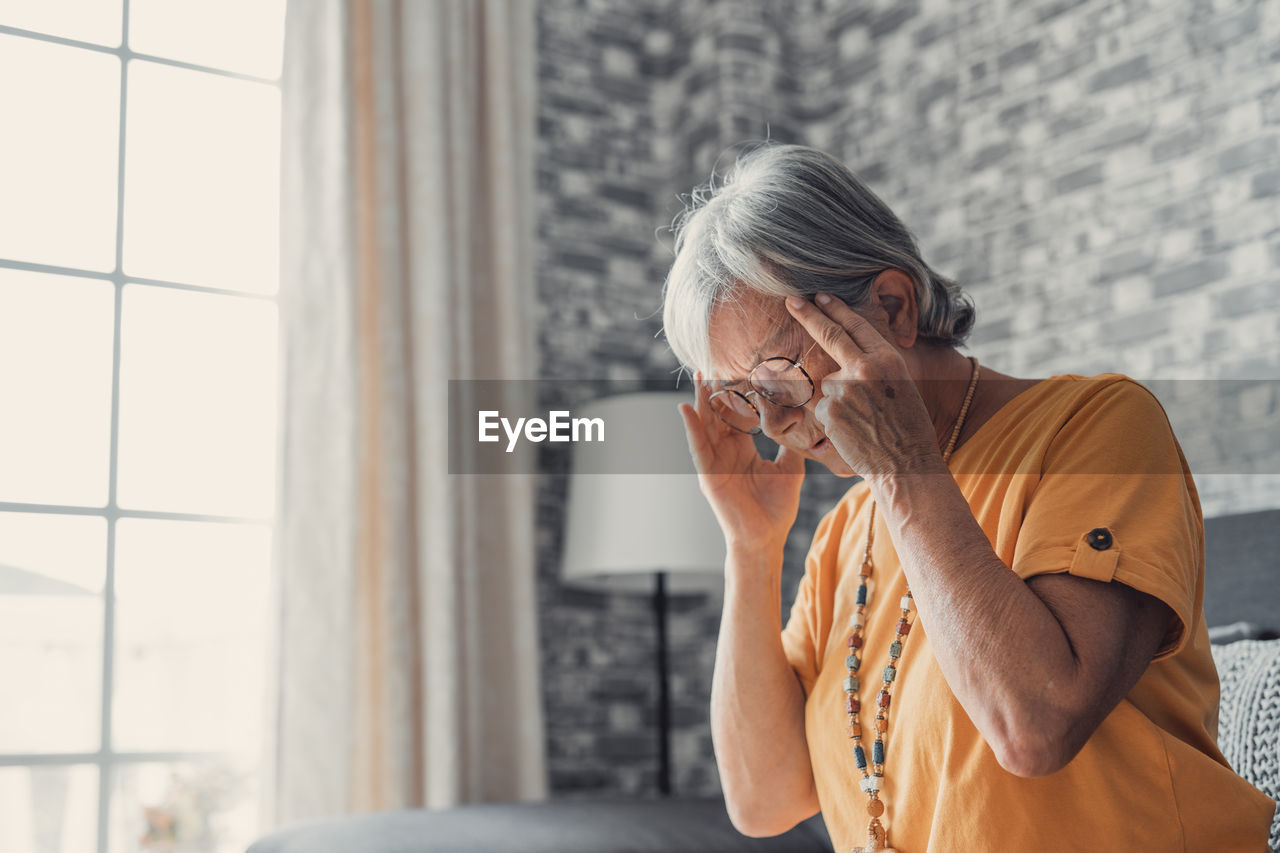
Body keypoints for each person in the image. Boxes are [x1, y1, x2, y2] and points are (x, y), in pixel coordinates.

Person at [663, 143, 1275, 852]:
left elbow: (1036, 723)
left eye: (781, 374)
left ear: (893, 307)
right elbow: (763, 798)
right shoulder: (844, 533)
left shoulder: (1098, 427)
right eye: (748, 396)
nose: (773, 423)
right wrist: (751, 544)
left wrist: (902, 471)